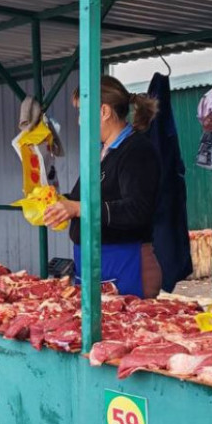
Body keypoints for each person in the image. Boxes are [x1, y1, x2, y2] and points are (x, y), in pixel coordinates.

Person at [44, 76, 163, 298]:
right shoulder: (101, 152)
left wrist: (78, 208)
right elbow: (85, 198)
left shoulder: (137, 151)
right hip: (94, 263)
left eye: (81, 112)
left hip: (125, 264)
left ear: (104, 111)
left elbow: (137, 209)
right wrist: (59, 202)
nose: (79, 121)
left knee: (124, 321)